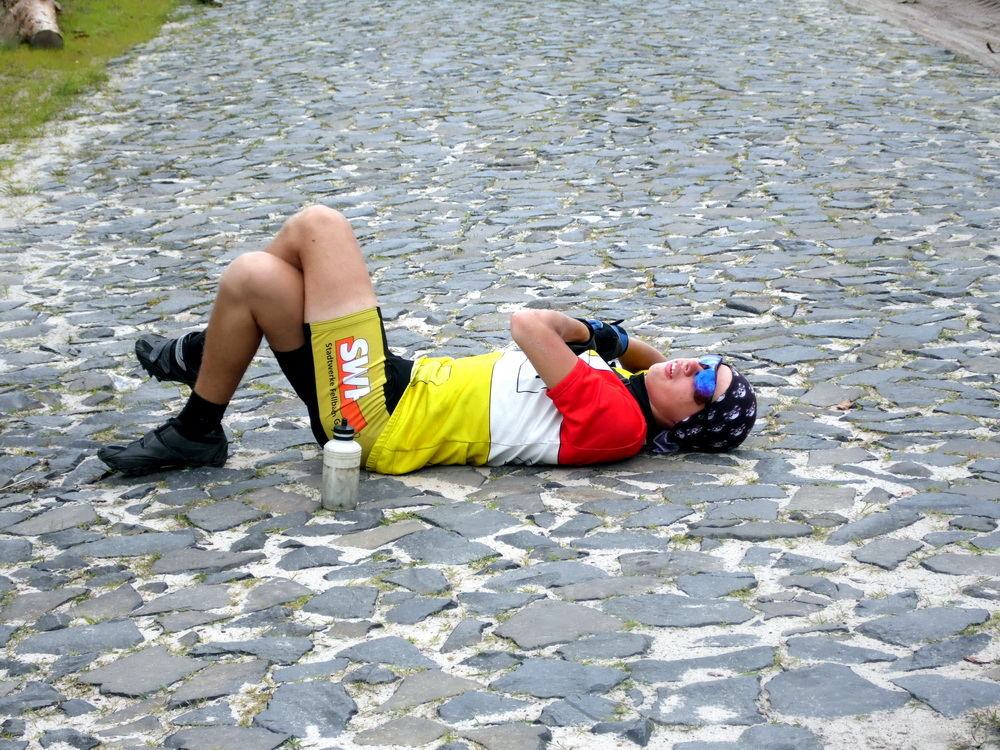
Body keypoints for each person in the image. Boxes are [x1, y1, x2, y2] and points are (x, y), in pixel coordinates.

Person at [98, 206, 756, 477]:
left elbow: (528, 325)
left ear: (686, 428)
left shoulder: (621, 422)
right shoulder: (633, 394)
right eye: (709, 362)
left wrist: (589, 331)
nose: (693, 368)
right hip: (395, 386)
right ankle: (197, 425)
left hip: (377, 420)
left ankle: (204, 357)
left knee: (320, 226)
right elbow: (653, 360)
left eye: (704, 386)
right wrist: (629, 346)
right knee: (255, 278)